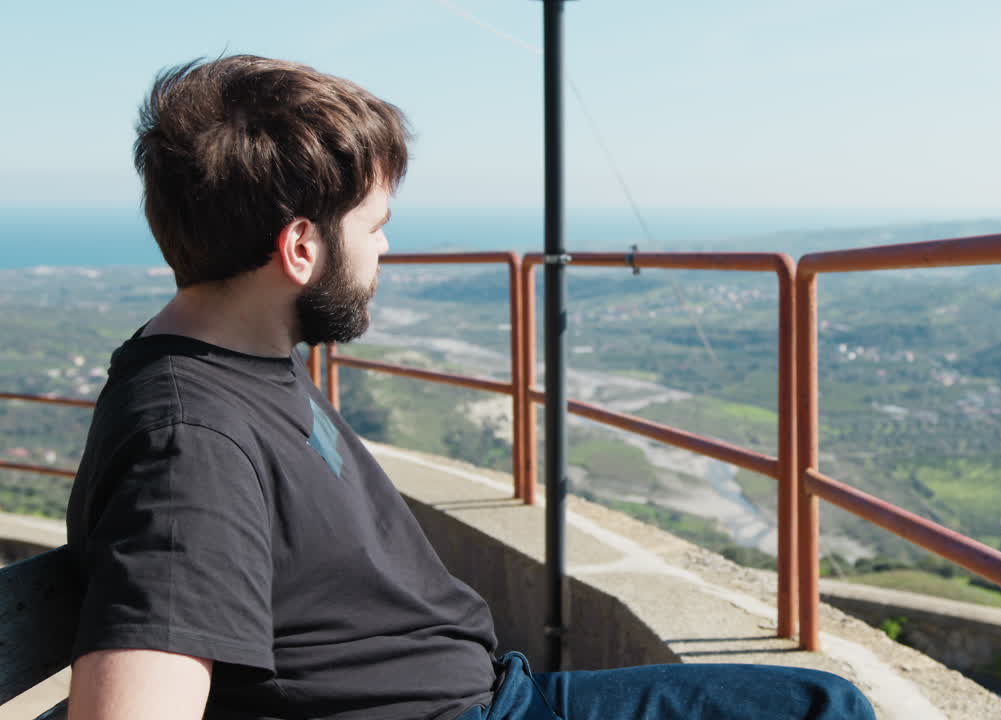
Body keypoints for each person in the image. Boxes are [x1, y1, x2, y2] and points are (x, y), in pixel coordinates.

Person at [65, 55, 876, 720]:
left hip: (490, 693)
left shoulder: (244, 365)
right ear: (302, 248)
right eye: (374, 227)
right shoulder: (190, 443)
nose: (385, 250)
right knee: (822, 713)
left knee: (818, 702)